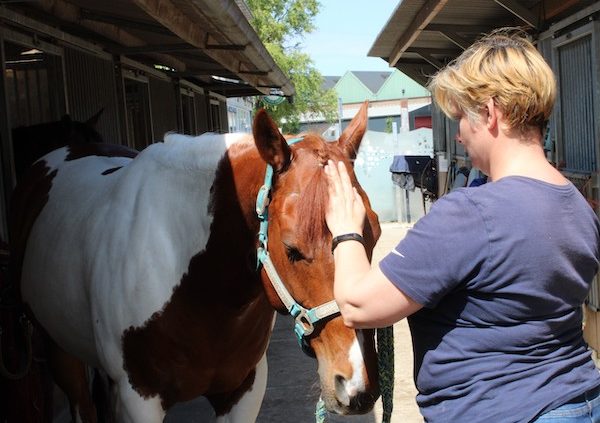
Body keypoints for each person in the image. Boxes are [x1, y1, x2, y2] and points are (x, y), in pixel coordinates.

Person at [324, 29, 600, 423]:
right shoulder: (575, 203)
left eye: (461, 118)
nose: (458, 134)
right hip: (580, 400)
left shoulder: (471, 213)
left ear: (489, 112)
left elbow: (358, 304)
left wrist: (345, 230)